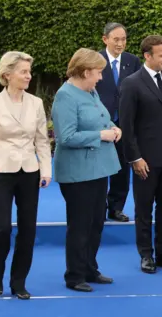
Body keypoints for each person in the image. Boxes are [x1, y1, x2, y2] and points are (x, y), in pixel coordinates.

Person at [0, 51, 52, 300]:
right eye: (23, 72)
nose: (29, 76)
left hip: (29, 172)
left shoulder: (36, 103)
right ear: (7, 75)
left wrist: (46, 169)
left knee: (28, 230)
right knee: (2, 229)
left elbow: (42, 140)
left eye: (29, 71)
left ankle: (19, 282)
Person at [51, 48, 121, 292]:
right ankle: (75, 275)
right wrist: (101, 135)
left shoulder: (89, 91)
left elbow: (101, 118)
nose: (101, 78)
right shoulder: (65, 96)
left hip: (98, 168)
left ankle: (90, 268)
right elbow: (66, 137)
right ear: (84, 71)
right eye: (98, 73)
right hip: (77, 172)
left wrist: (113, 127)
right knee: (80, 225)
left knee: (96, 223)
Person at [119, 35, 162, 274]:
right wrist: (135, 157)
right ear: (147, 56)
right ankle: (145, 255)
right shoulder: (131, 83)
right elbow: (127, 125)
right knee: (144, 208)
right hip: (145, 159)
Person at [96, 22, 142, 222]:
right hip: (98, 124)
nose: (120, 43)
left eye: (123, 39)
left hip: (124, 124)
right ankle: (97, 208)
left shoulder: (133, 61)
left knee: (122, 169)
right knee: (97, 169)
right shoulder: (95, 60)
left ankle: (116, 208)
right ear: (105, 39)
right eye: (116, 39)